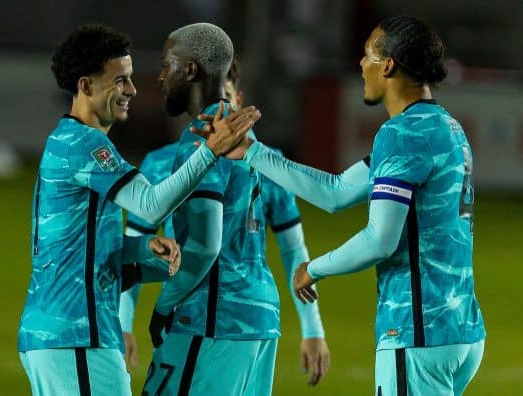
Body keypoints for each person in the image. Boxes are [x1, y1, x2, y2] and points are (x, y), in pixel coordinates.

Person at [199, 15, 486, 396]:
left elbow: (380, 240)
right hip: (462, 329)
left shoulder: (399, 134)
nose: (361, 64)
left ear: (388, 65)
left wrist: (313, 269)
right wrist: (252, 152)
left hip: (418, 330)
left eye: (368, 55)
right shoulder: (446, 128)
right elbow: (335, 192)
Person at [17, 24, 260, 396]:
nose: (132, 90)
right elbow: (152, 203)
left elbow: (76, 248)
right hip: (75, 335)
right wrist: (210, 152)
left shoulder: (72, 142)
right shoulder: (85, 146)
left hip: (66, 333)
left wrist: (140, 249)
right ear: (86, 86)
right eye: (121, 81)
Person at [119, 57, 330, 387]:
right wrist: (124, 323)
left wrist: (313, 328)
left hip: (206, 315)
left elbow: (292, 250)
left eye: (228, 102)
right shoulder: (160, 163)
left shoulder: (262, 160)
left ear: (239, 102)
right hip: (249, 315)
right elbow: (138, 240)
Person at [137, 22, 281, 396]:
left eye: (168, 64)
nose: (161, 76)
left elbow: (205, 244)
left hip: (212, 318)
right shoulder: (243, 134)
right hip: (259, 315)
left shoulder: (206, 136)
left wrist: (164, 305)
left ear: (190, 69)